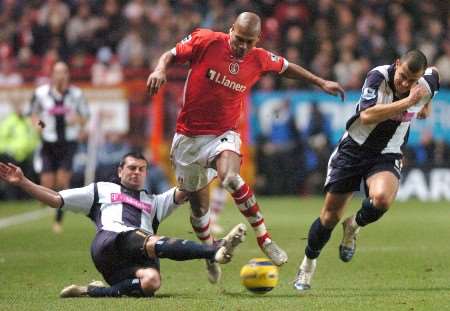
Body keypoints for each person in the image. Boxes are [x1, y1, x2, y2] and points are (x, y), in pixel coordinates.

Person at [146, 11, 345, 283]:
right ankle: (208, 252)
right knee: (198, 210)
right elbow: (170, 54)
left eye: (249, 42)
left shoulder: (259, 57)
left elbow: (287, 67)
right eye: (238, 39)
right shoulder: (206, 40)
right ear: (230, 31)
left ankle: (265, 239)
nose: (242, 46)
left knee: (230, 177)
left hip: (223, 134)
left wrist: (321, 82)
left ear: (257, 40)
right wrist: (160, 69)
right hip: (189, 138)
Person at [0, 152, 246, 298]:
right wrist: (22, 181)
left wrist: (210, 165)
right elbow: (56, 198)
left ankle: (91, 291)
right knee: (148, 241)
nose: (136, 172)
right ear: (120, 171)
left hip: (132, 262)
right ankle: (216, 250)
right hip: (111, 243)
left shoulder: (155, 201)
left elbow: (190, 188)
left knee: (151, 282)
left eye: (141, 169)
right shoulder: (102, 190)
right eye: (131, 168)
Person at [293, 50, 440, 291]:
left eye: (412, 81)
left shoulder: (426, 84)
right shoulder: (377, 77)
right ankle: (308, 263)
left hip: (387, 152)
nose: (405, 83)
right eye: (402, 76)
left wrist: (428, 102)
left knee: (381, 199)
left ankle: (354, 225)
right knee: (329, 217)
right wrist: (410, 102)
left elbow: (434, 73)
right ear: (397, 64)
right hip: (353, 150)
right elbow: (368, 115)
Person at [28, 61, 90, 233]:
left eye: (64, 72)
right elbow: (33, 114)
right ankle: (47, 212)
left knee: (63, 180)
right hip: (48, 142)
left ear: (68, 75)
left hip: (68, 142)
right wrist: (39, 124)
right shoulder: (41, 94)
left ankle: (59, 219)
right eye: (57, 72)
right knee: (46, 183)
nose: (61, 75)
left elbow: (85, 116)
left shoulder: (76, 94)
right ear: (52, 75)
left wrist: (78, 121)